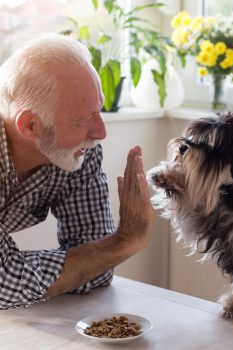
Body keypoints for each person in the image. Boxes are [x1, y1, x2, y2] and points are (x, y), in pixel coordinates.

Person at [0, 33, 154, 309]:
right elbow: (4, 283)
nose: (101, 132)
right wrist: (125, 240)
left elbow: (98, 269)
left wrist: (107, 250)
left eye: (99, 110)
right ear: (30, 126)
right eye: (84, 119)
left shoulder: (77, 153)